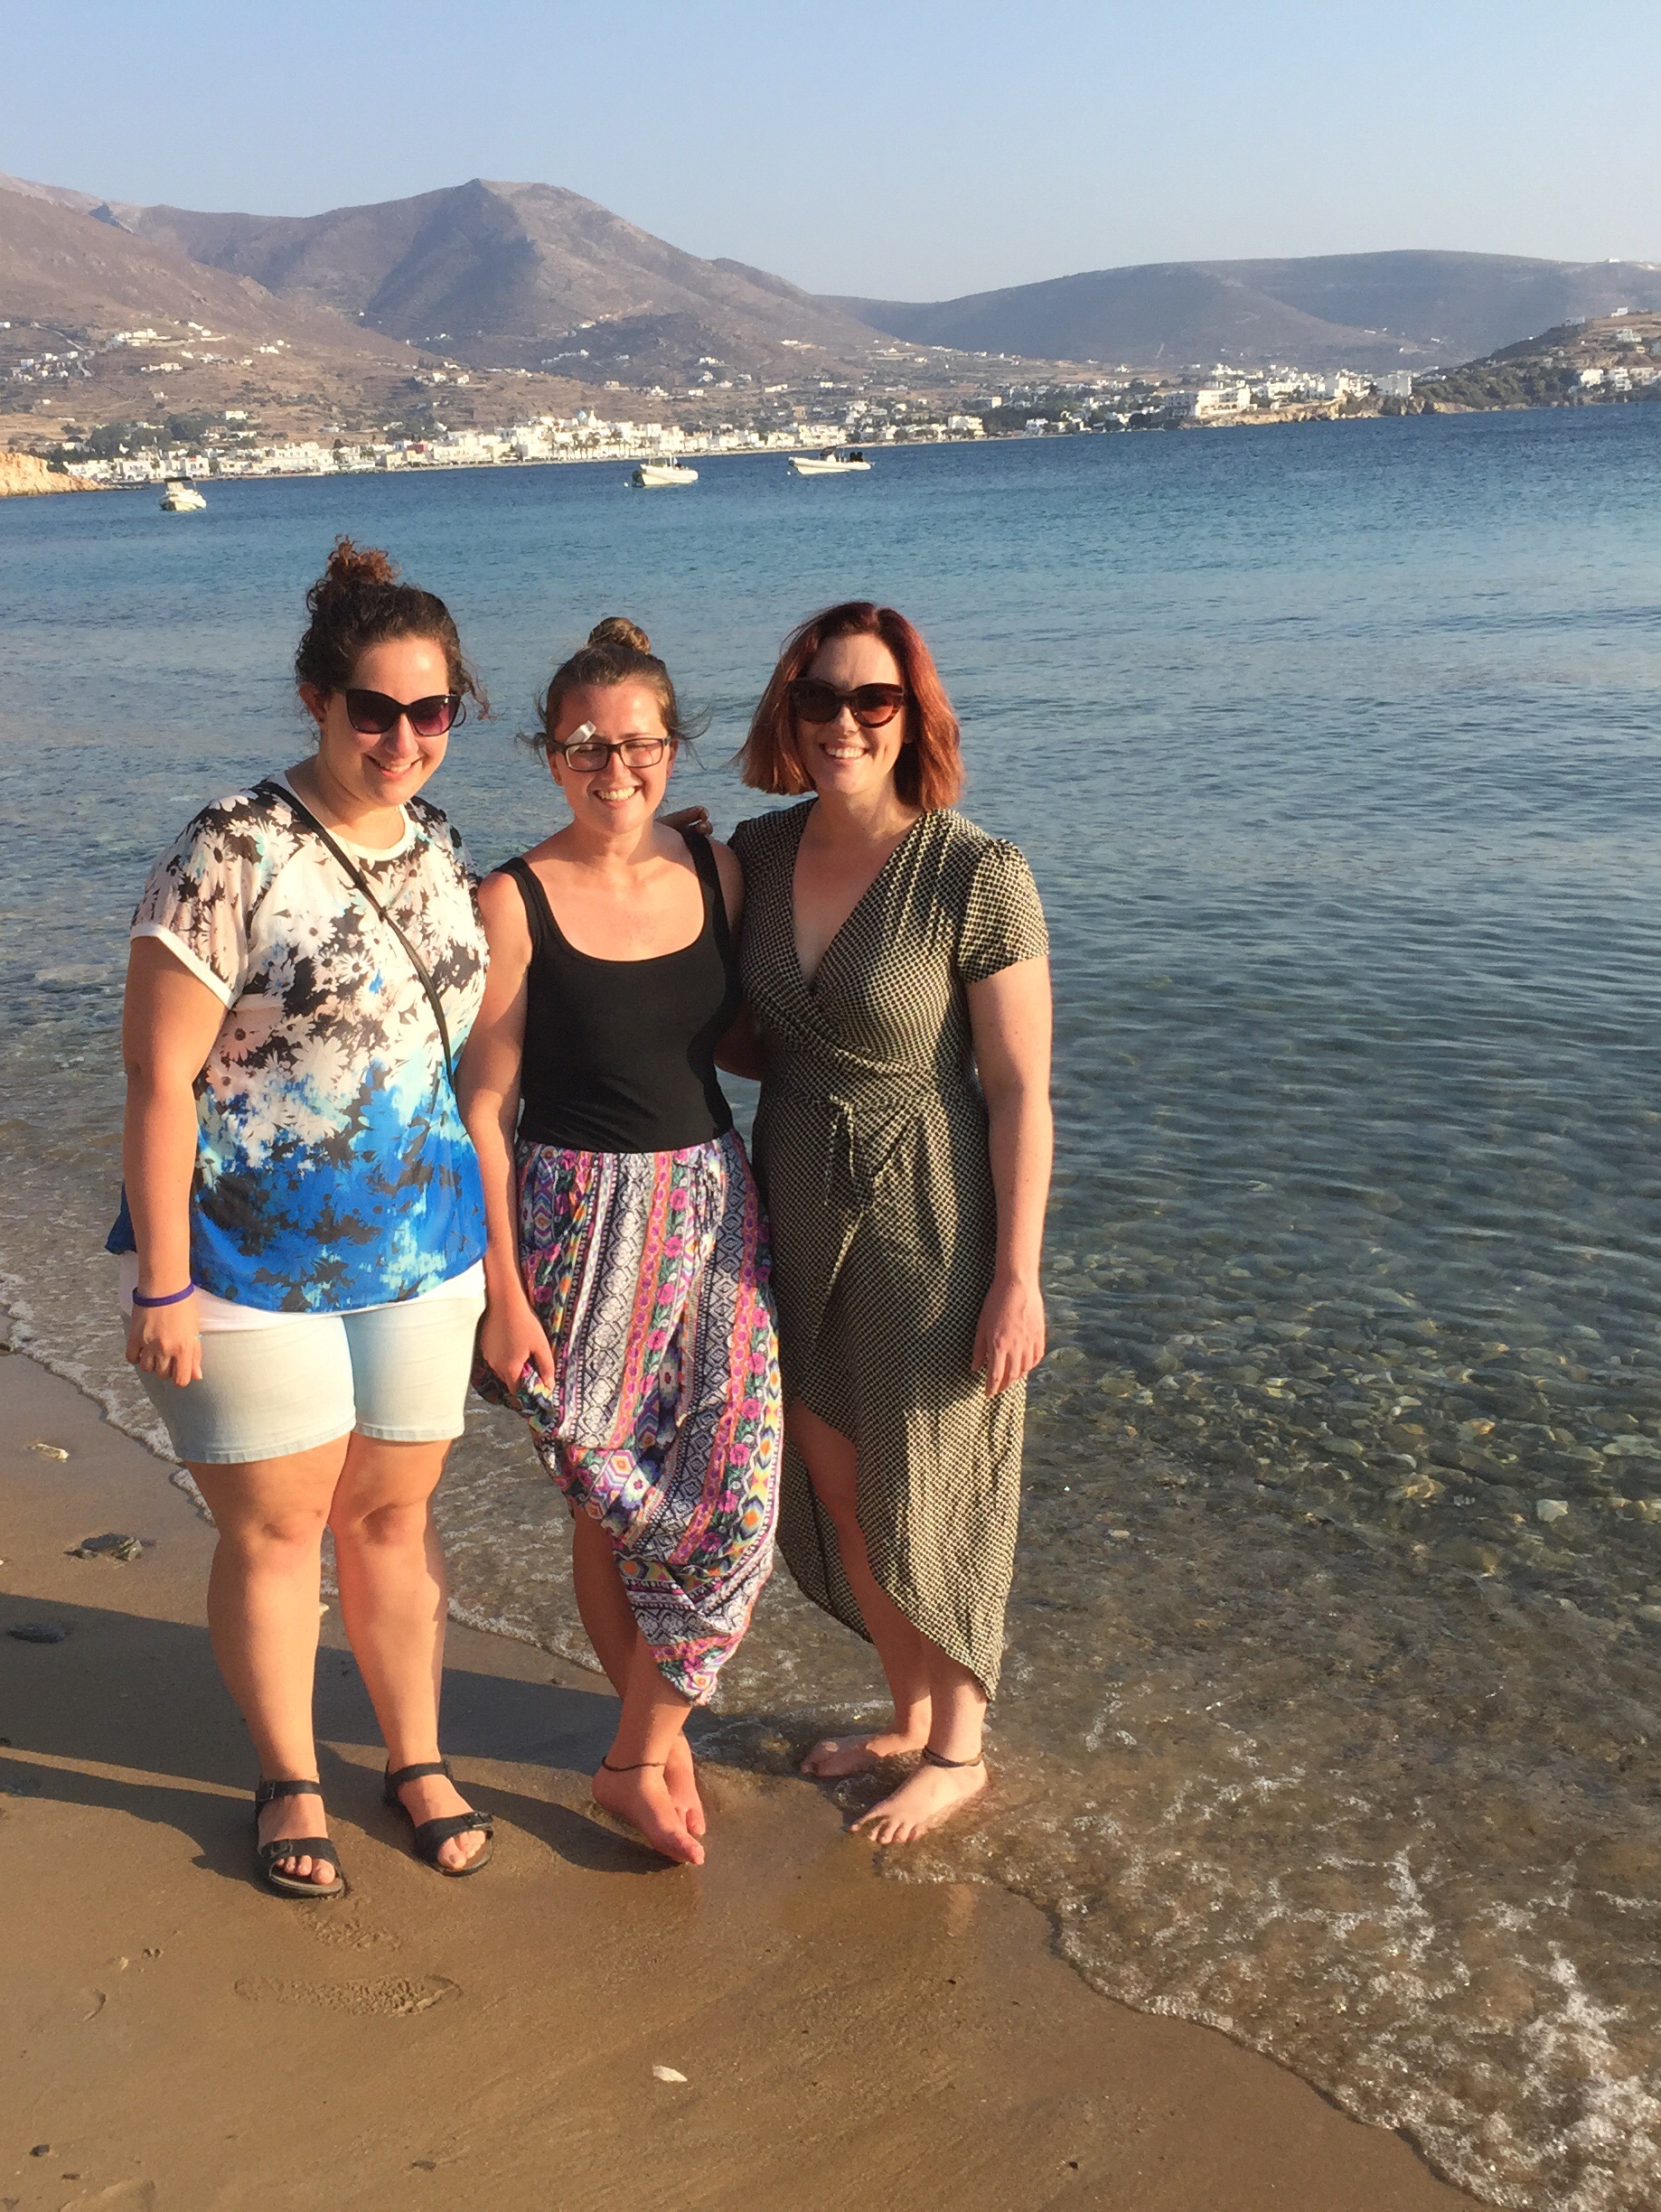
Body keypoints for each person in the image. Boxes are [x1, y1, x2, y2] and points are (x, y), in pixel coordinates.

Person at [117, 538, 497, 1897]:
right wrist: (163, 1283)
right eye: (373, 710)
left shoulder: (443, 847)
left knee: (392, 1518)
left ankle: (415, 1758)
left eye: (431, 711)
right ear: (316, 700)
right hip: (246, 1257)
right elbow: (159, 1078)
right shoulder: (232, 848)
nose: (403, 739)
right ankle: (289, 1776)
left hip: (424, 1251)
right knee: (277, 1530)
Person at [725, 601, 1053, 1845]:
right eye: (820, 699)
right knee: (838, 1476)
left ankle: (960, 1752)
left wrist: (1018, 1276)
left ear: (914, 717)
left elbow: (1019, 1091)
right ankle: (911, 1713)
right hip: (796, 1195)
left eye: (874, 701)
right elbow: (745, 1028)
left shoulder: (977, 872)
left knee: (934, 1482)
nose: (845, 723)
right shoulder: (758, 854)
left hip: (933, 1205)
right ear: (789, 712)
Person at [458, 619, 783, 1866]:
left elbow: (750, 1031)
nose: (614, 767)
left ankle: (639, 1748)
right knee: (611, 1498)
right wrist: (504, 1292)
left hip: (715, 1206)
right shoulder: (514, 898)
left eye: (638, 743)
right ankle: (646, 1746)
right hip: (575, 1220)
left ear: (671, 748)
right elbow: (484, 1108)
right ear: (551, 756)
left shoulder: (717, 870)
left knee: (736, 1494)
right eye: (586, 746)